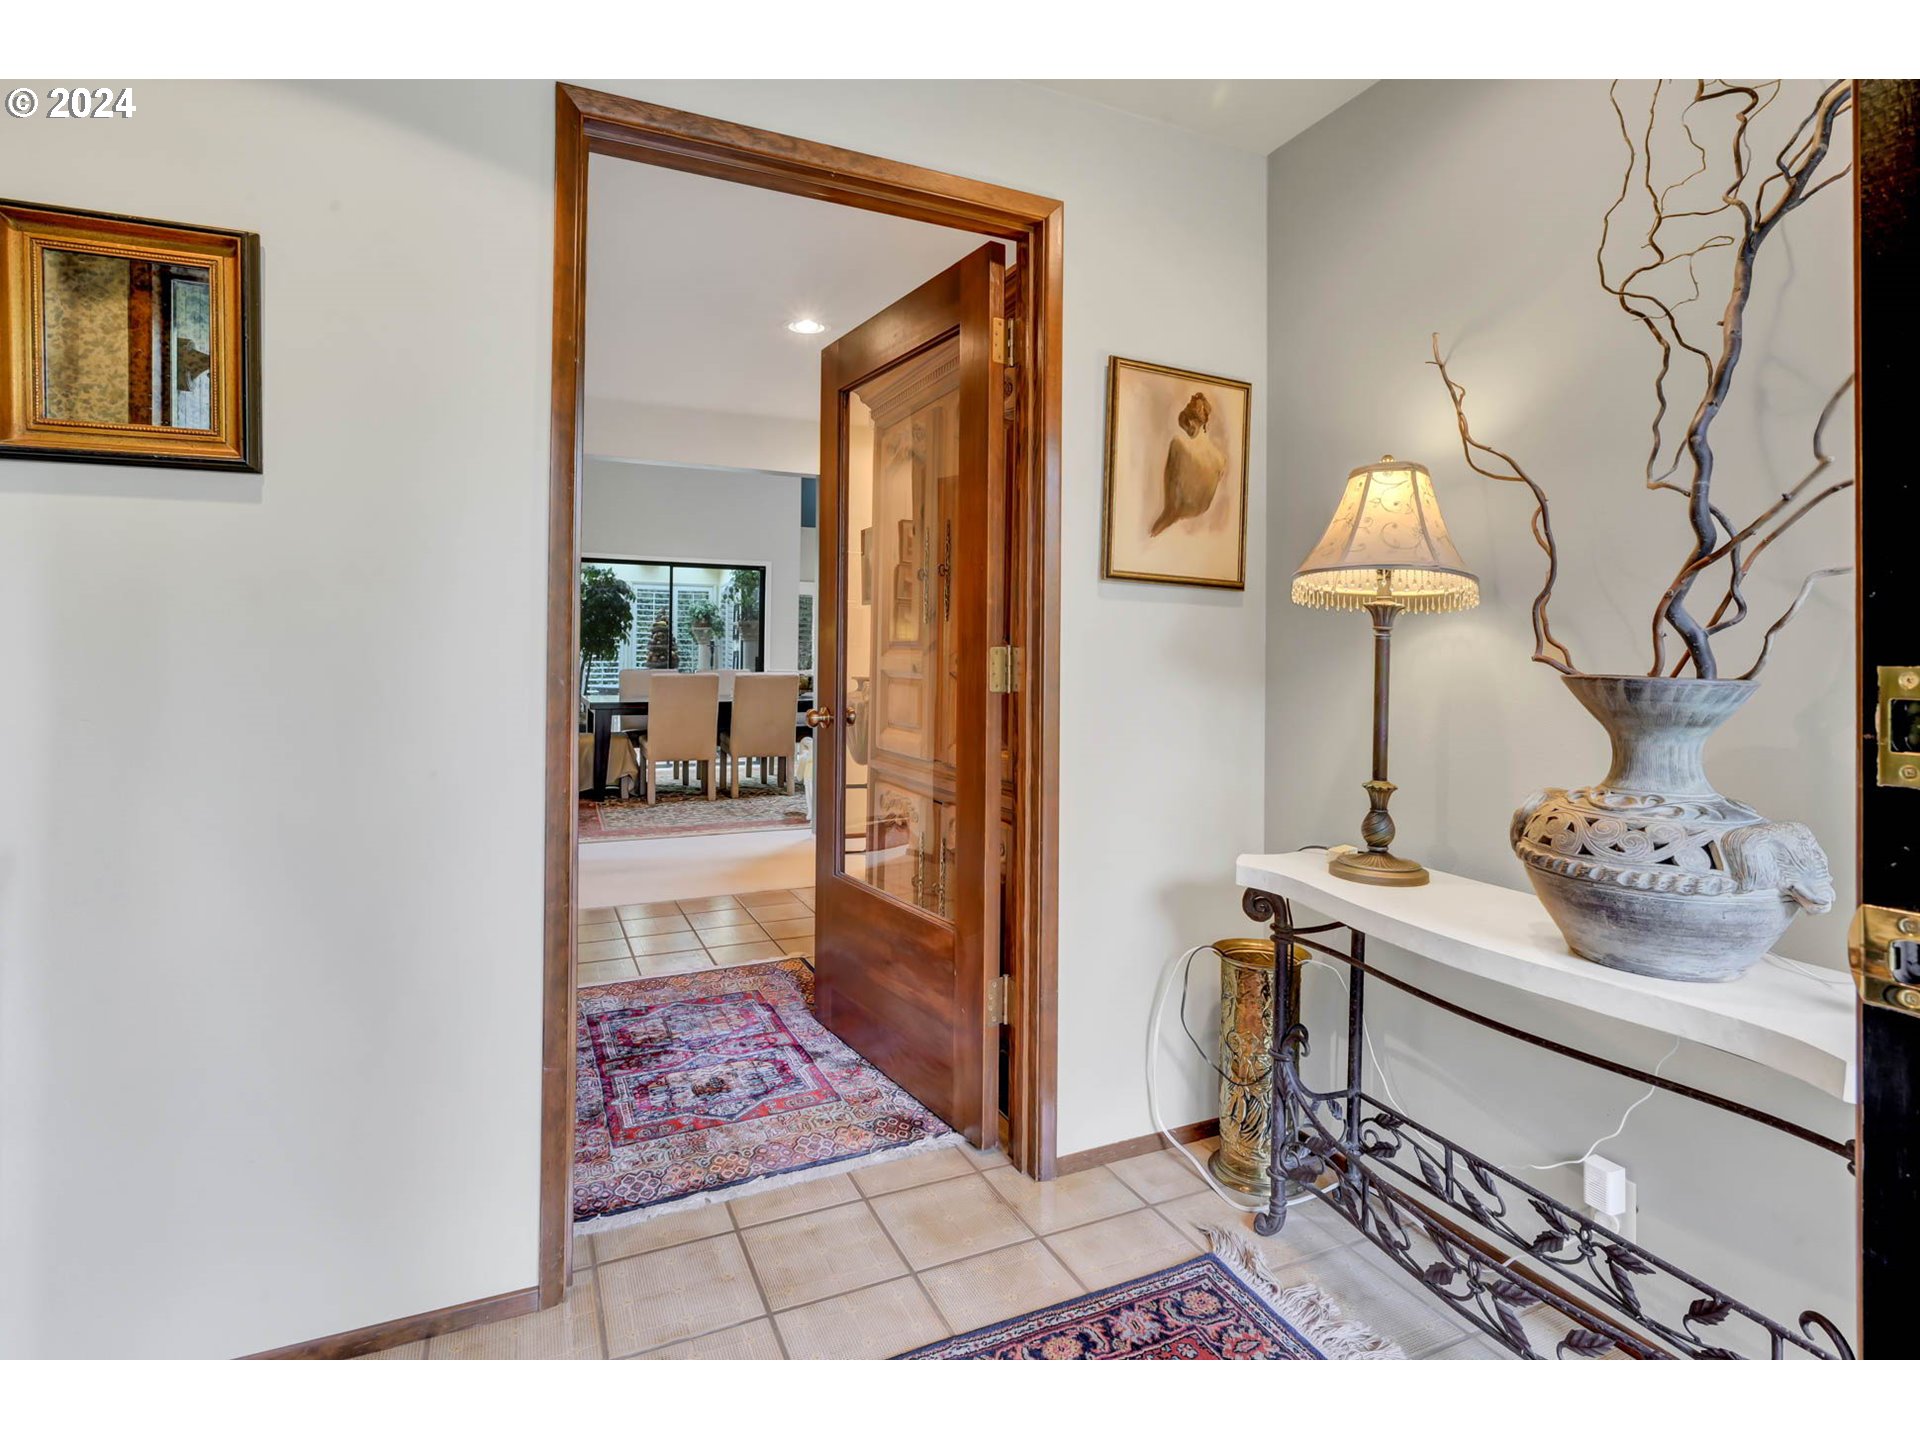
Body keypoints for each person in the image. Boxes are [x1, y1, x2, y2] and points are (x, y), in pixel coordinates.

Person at [1151, 390, 1228, 536]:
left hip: (1175, 531)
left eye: (1184, 424)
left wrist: (1155, 531)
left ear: (1188, 422)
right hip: (1204, 535)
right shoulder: (1220, 460)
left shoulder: (1178, 446)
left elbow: (1170, 510)